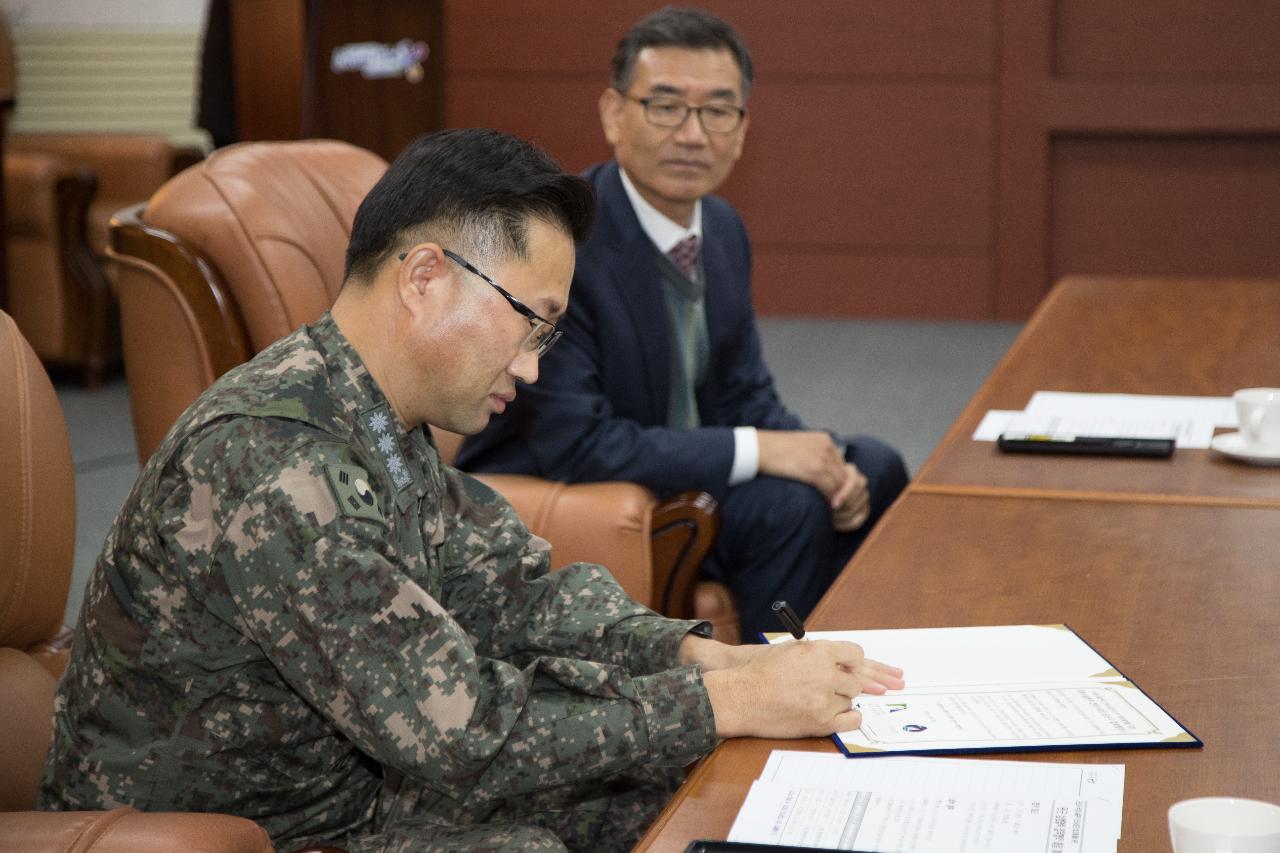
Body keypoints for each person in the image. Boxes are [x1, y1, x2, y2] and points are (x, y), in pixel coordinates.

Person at [39, 128, 903, 853]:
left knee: (667, 785)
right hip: (246, 831)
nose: (531, 367)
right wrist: (731, 700)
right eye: (532, 323)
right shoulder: (279, 460)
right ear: (424, 278)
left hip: (354, 792)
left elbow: (520, 592)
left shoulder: (373, 414)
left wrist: (703, 657)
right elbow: (465, 731)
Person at [457, 7, 910, 641]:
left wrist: (822, 459)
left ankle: (844, 661)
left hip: (684, 468)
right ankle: (766, 696)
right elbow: (578, 443)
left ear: (743, 127)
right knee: (789, 508)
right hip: (583, 480)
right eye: (666, 106)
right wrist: (763, 452)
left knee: (876, 466)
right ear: (614, 113)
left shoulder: (721, 228)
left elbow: (742, 391)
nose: (692, 134)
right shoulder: (562, 244)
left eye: (717, 110)